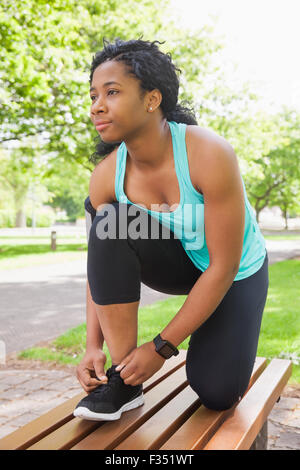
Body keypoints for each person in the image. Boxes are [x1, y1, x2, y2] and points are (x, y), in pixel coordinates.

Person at [73, 38, 269, 421]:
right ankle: (124, 381)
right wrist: (91, 345)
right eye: (94, 94)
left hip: (235, 272)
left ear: (151, 100)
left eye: (112, 92)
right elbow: (99, 262)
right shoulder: (106, 176)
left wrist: (161, 347)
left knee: (216, 392)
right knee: (108, 225)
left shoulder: (208, 153)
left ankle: (228, 331)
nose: (97, 105)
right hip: (180, 263)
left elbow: (223, 266)